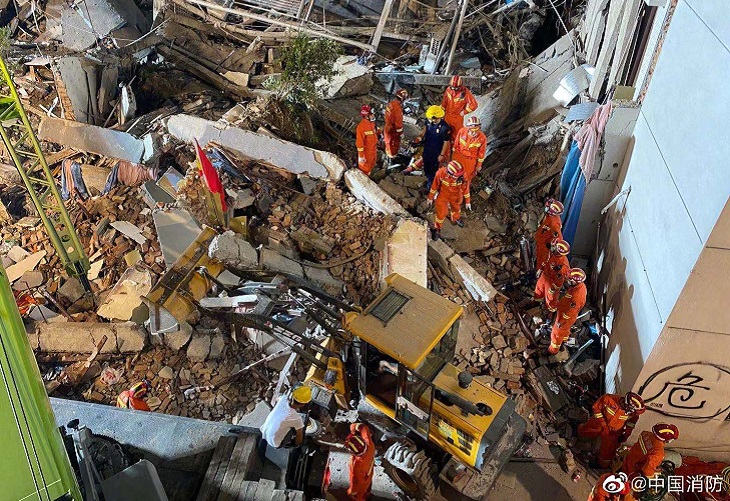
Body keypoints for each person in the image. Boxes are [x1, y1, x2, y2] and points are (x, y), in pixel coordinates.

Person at [578, 392, 646, 468]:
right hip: (599, 422)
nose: (635, 413)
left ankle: (601, 464)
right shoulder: (609, 399)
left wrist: (626, 435)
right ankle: (579, 436)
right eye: (633, 411)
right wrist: (603, 425)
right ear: (627, 406)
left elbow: (631, 424)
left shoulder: (633, 414)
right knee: (591, 429)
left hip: (614, 431)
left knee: (610, 449)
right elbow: (596, 408)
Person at [427, 160, 470, 241]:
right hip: (443, 195)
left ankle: (456, 218)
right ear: (449, 173)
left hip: (456, 195)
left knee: (456, 208)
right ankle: (437, 228)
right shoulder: (441, 173)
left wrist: (468, 201)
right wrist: (430, 197)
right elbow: (434, 186)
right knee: (441, 212)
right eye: (456, 176)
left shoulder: (462, 175)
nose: (458, 177)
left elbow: (465, 188)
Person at [548, 267, 587, 354]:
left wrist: (560, 322)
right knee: (565, 331)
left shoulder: (576, 296)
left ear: (575, 281)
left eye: (569, 279)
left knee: (556, 334)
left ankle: (553, 351)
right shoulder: (579, 286)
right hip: (567, 317)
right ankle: (565, 341)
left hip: (565, 318)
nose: (567, 280)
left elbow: (570, 312)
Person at [416, 105, 452, 189]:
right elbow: (425, 129)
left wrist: (442, 155)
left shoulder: (445, 127)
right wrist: (420, 137)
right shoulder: (428, 121)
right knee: (426, 166)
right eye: (431, 119)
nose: (432, 121)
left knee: (433, 169)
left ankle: (430, 186)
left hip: (436, 151)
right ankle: (427, 178)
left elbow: (446, 142)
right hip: (427, 147)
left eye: (435, 119)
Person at [534, 238, 570, 313]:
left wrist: (553, 288)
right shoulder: (553, 254)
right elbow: (547, 262)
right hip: (545, 275)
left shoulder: (562, 266)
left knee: (550, 298)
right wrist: (541, 269)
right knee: (539, 288)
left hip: (552, 282)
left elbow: (559, 281)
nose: (552, 247)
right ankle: (537, 303)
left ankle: (551, 311)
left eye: (554, 247)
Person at [451, 116, 487, 190]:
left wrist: (478, 165)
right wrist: (453, 157)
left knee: (466, 177)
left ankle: (462, 192)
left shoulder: (482, 138)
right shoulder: (462, 131)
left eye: (476, 131)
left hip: (470, 160)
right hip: (458, 156)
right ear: (468, 128)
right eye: (472, 131)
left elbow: (481, 153)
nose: (474, 133)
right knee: (453, 173)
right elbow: (456, 144)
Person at [441, 75, 478, 141]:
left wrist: (464, 112)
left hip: (457, 118)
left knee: (457, 136)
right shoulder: (449, 89)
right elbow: (445, 100)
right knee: (445, 135)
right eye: (452, 87)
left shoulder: (465, 92)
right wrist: (442, 110)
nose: (454, 89)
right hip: (447, 115)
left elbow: (474, 105)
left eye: (456, 88)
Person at [346, 423, 376, 501]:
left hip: (363, 481)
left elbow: (355, 481)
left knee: (359, 496)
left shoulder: (356, 466)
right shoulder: (370, 445)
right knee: (368, 486)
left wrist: (351, 492)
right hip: (369, 472)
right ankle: (367, 494)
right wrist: (353, 429)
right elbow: (363, 427)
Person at [535, 199, 564, 275]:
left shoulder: (554, 223)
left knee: (541, 261)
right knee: (538, 257)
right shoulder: (549, 215)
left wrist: (553, 245)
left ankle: (539, 275)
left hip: (545, 246)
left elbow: (559, 238)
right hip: (540, 241)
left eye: (548, 207)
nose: (546, 208)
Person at [384, 89, 408, 163]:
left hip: (387, 127)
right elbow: (398, 124)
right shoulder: (397, 109)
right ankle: (392, 158)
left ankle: (389, 156)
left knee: (388, 144)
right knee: (393, 145)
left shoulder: (391, 104)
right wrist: (401, 133)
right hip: (392, 130)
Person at [356, 104, 379, 176]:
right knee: (365, 169)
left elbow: (373, 133)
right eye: (372, 114)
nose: (373, 116)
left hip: (373, 150)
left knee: (371, 166)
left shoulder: (371, 123)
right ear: (366, 115)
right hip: (366, 153)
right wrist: (361, 156)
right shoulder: (361, 127)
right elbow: (359, 142)